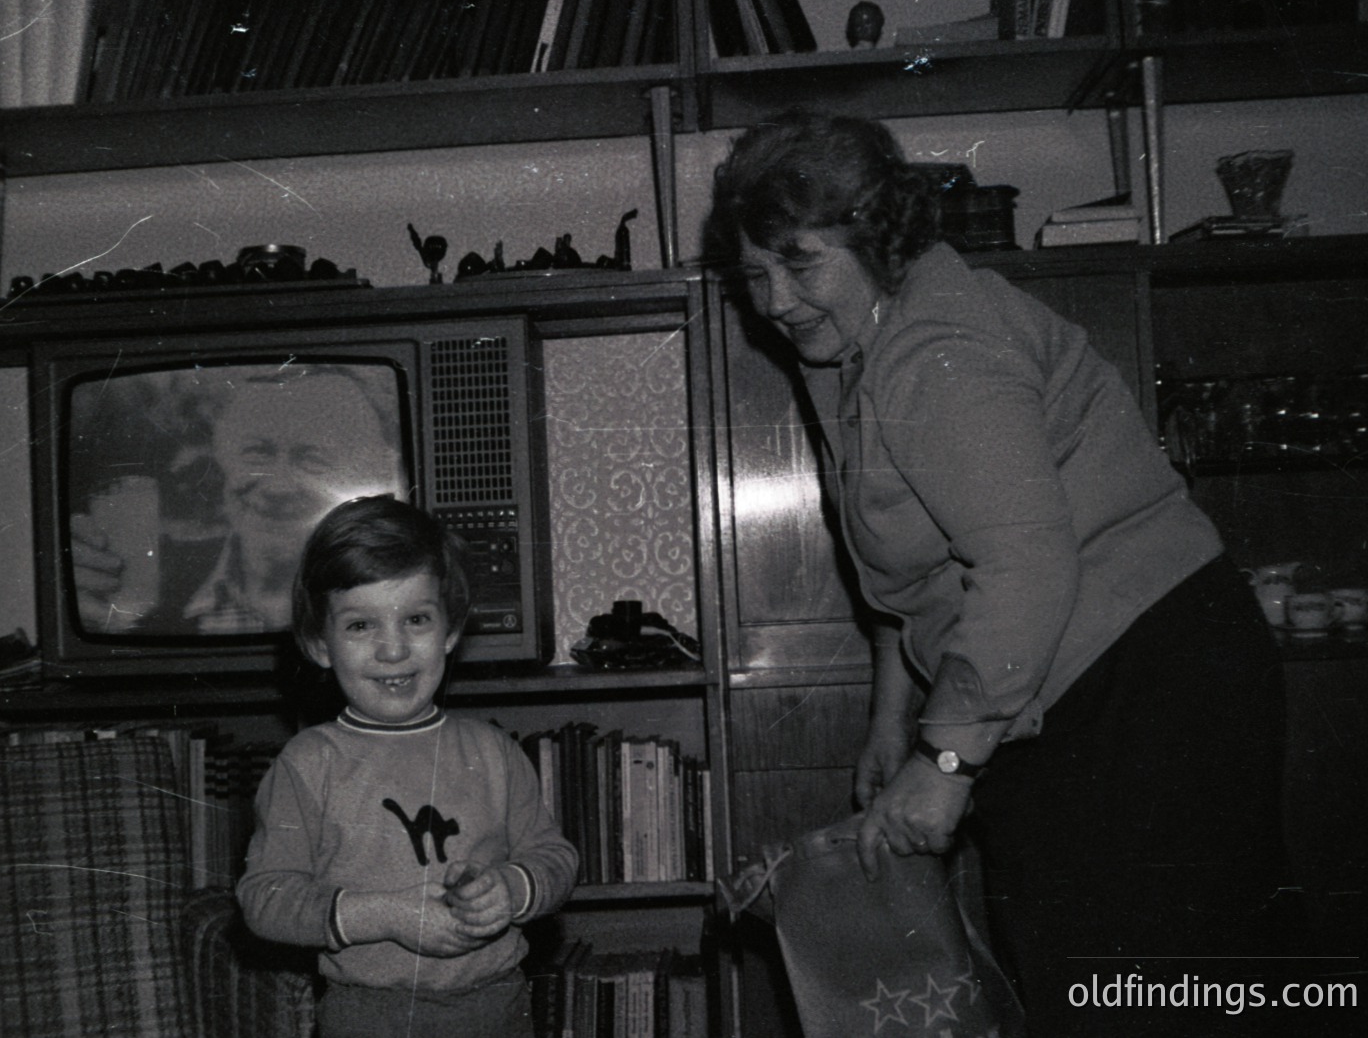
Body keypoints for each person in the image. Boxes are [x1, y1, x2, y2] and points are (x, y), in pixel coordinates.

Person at [708, 111, 1292, 1036]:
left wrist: (944, 759)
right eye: (753, 276)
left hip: (1146, 684)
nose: (775, 300)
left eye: (799, 262)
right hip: (1069, 680)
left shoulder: (938, 353)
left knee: (1143, 992)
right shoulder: (851, 350)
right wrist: (892, 720)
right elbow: (912, 568)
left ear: (878, 240)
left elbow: (1020, 563)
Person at [236, 495, 578, 1038]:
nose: (393, 649)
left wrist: (511, 889)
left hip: (497, 1008)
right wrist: (389, 916)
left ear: (449, 632)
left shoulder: (493, 751)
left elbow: (556, 858)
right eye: (360, 626)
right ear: (319, 644)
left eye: (416, 619)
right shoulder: (306, 764)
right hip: (368, 1015)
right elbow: (266, 899)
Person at [71, 365, 405, 635]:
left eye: (312, 459)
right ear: (221, 456)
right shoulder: (154, 577)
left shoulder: (396, 590)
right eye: (257, 453)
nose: (278, 488)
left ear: (369, 473)